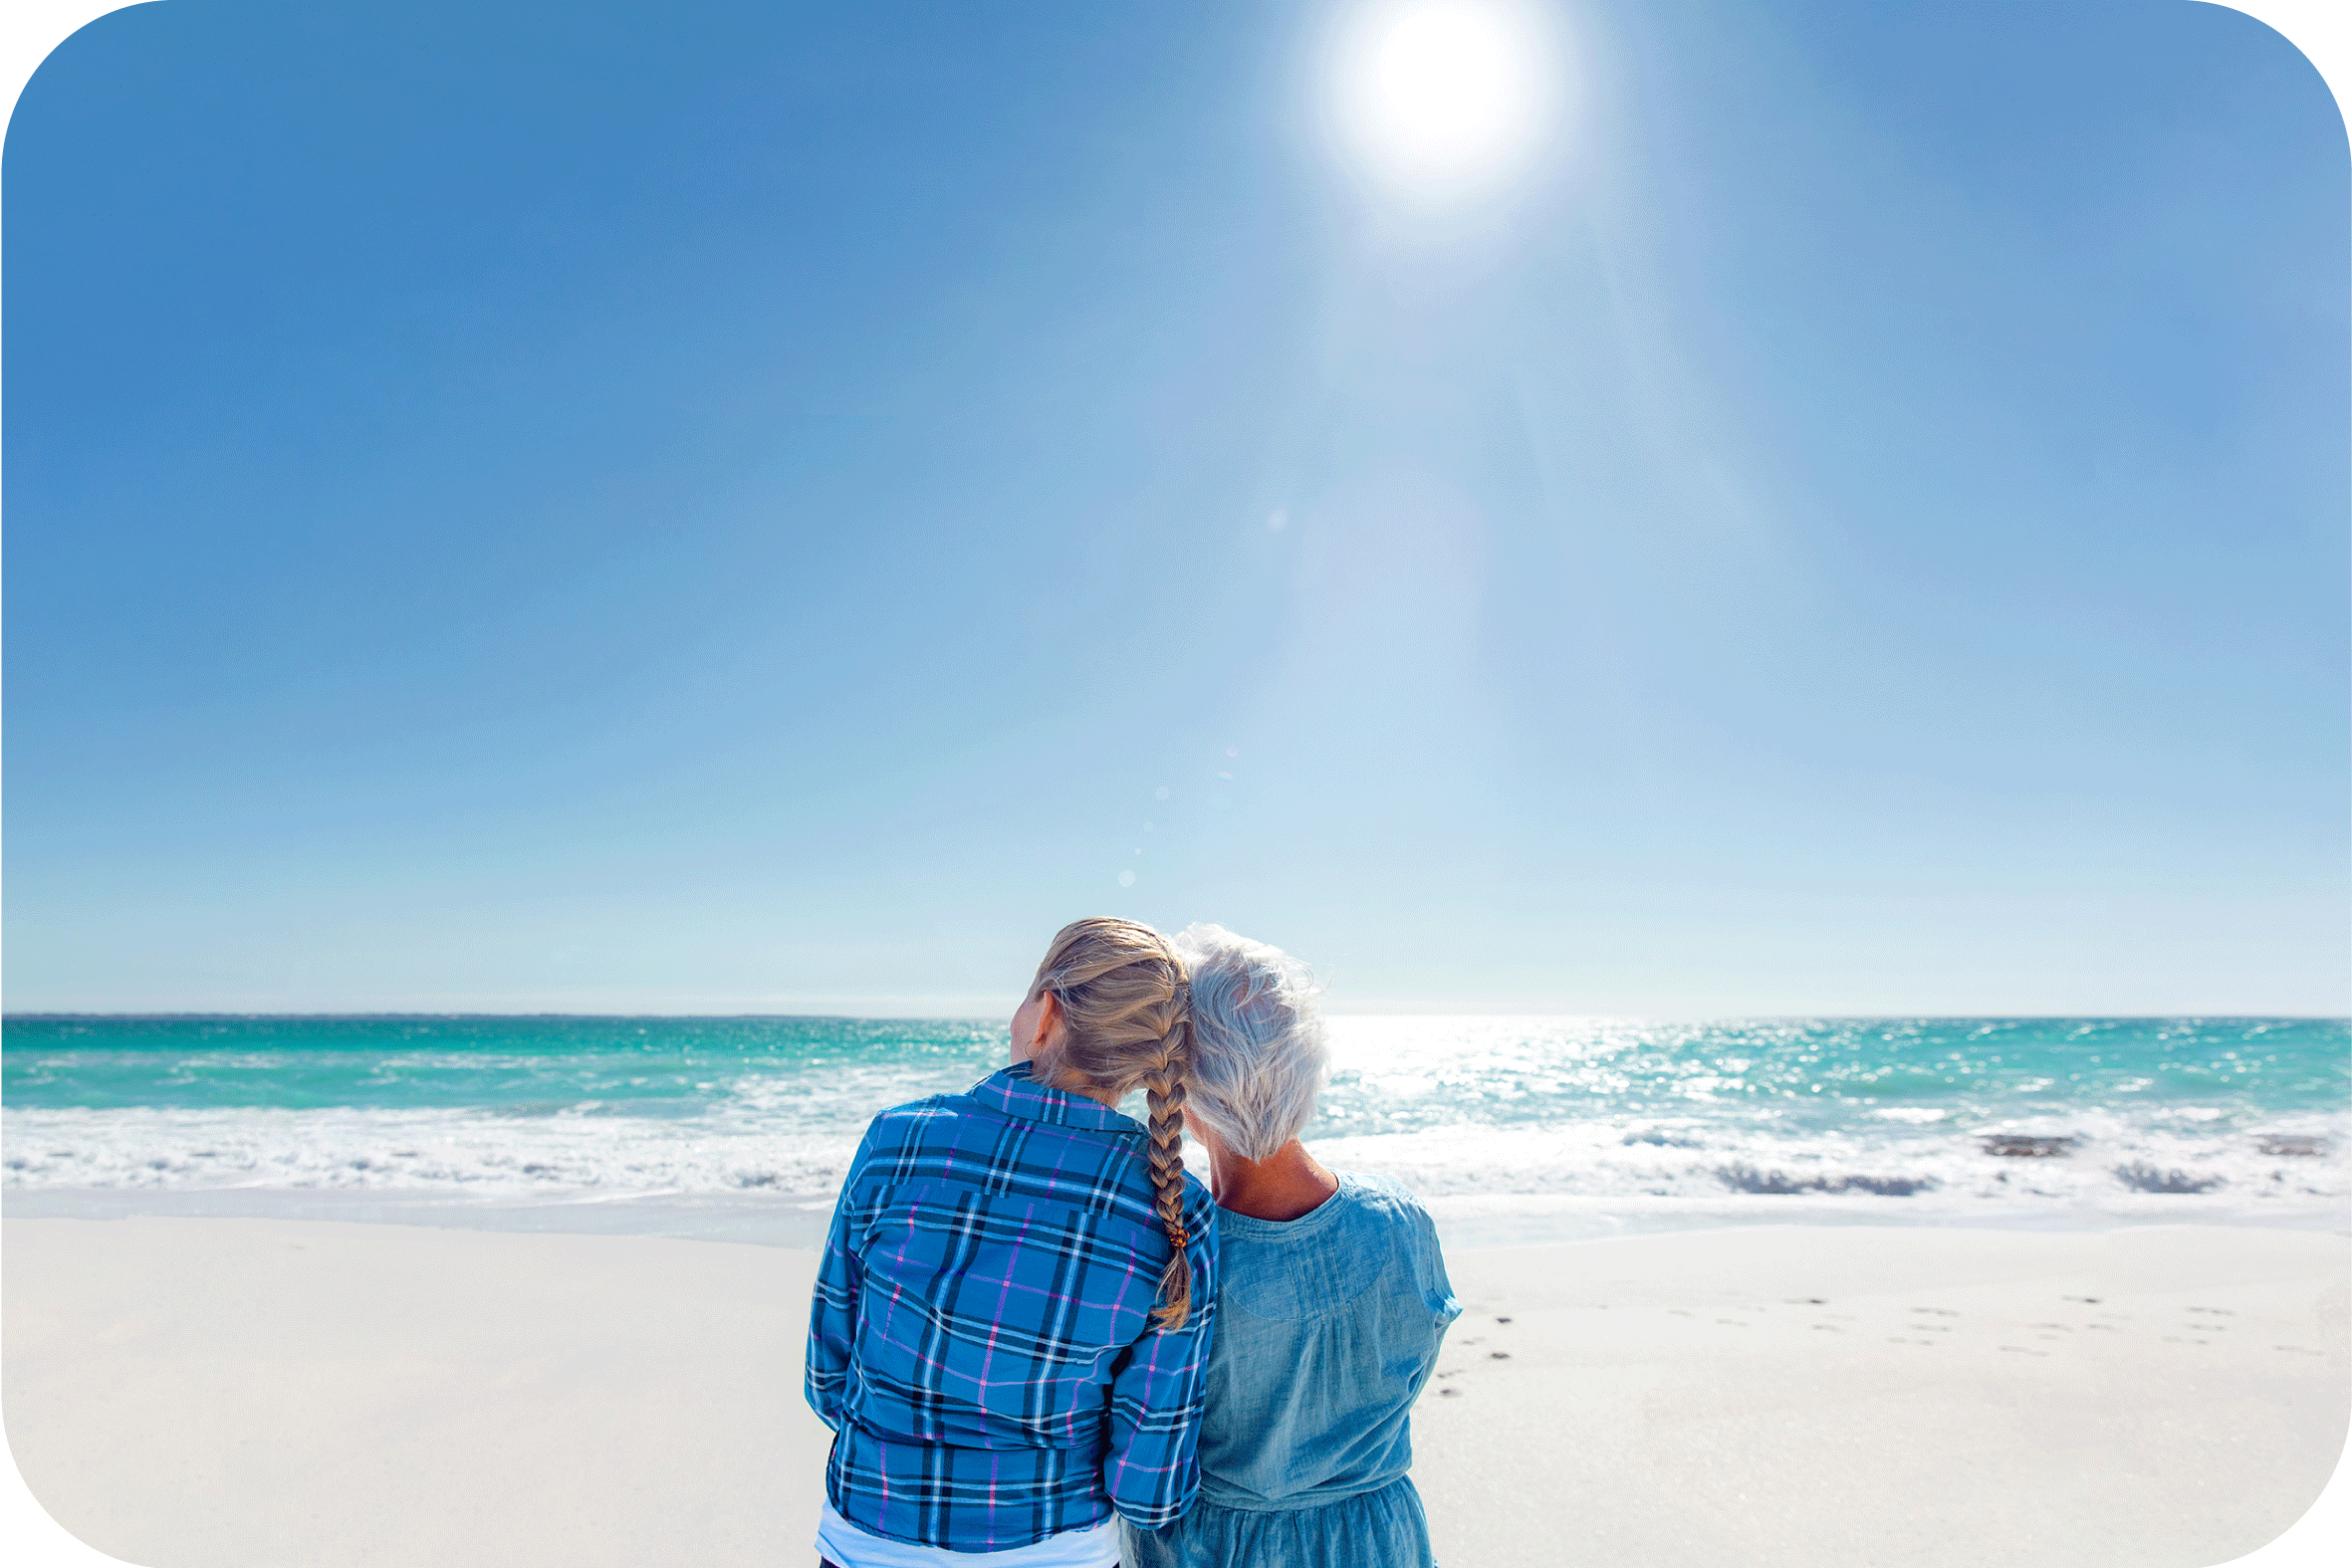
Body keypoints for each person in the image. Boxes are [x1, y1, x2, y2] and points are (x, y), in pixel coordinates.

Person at [806, 917, 1221, 1568]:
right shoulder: (1173, 1206)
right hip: (1058, 1546)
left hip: (869, 1530)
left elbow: (827, 1378)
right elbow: (1147, 1482)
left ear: (1046, 1012)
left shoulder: (898, 1140)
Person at [1119, 924, 1460, 1568]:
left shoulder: (1172, 1256)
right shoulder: (1399, 1223)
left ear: (1179, 1086)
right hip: (1374, 1537)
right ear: (1305, 1061)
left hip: (1213, 1548)